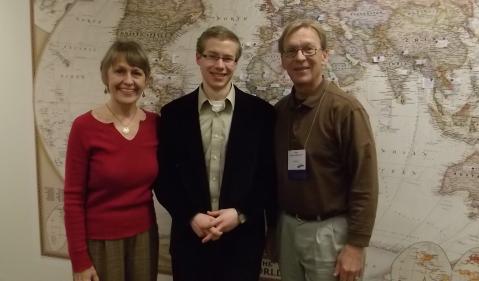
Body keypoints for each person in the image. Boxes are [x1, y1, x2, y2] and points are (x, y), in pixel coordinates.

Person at [155, 25, 276, 281]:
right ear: (198, 58)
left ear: (236, 62)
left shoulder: (262, 115)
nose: (219, 65)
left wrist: (240, 213)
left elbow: (269, 177)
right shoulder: (173, 115)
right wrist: (190, 216)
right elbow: (164, 179)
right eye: (212, 56)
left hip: (242, 244)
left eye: (227, 58)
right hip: (190, 243)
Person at [274, 19, 378, 281]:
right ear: (283, 60)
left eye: (308, 49)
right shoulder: (280, 111)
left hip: (330, 233)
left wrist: (356, 246)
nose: (300, 58)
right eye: (291, 51)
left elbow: (365, 182)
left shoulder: (345, 110)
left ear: (324, 54)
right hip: (288, 228)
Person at [64, 40, 159, 281]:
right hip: (101, 243)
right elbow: (73, 199)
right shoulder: (84, 127)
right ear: (105, 76)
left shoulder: (155, 124)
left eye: (136, 73)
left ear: (145, 80)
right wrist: (80, 262)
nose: (128, 80)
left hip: (145, 239)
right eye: (119, 71)